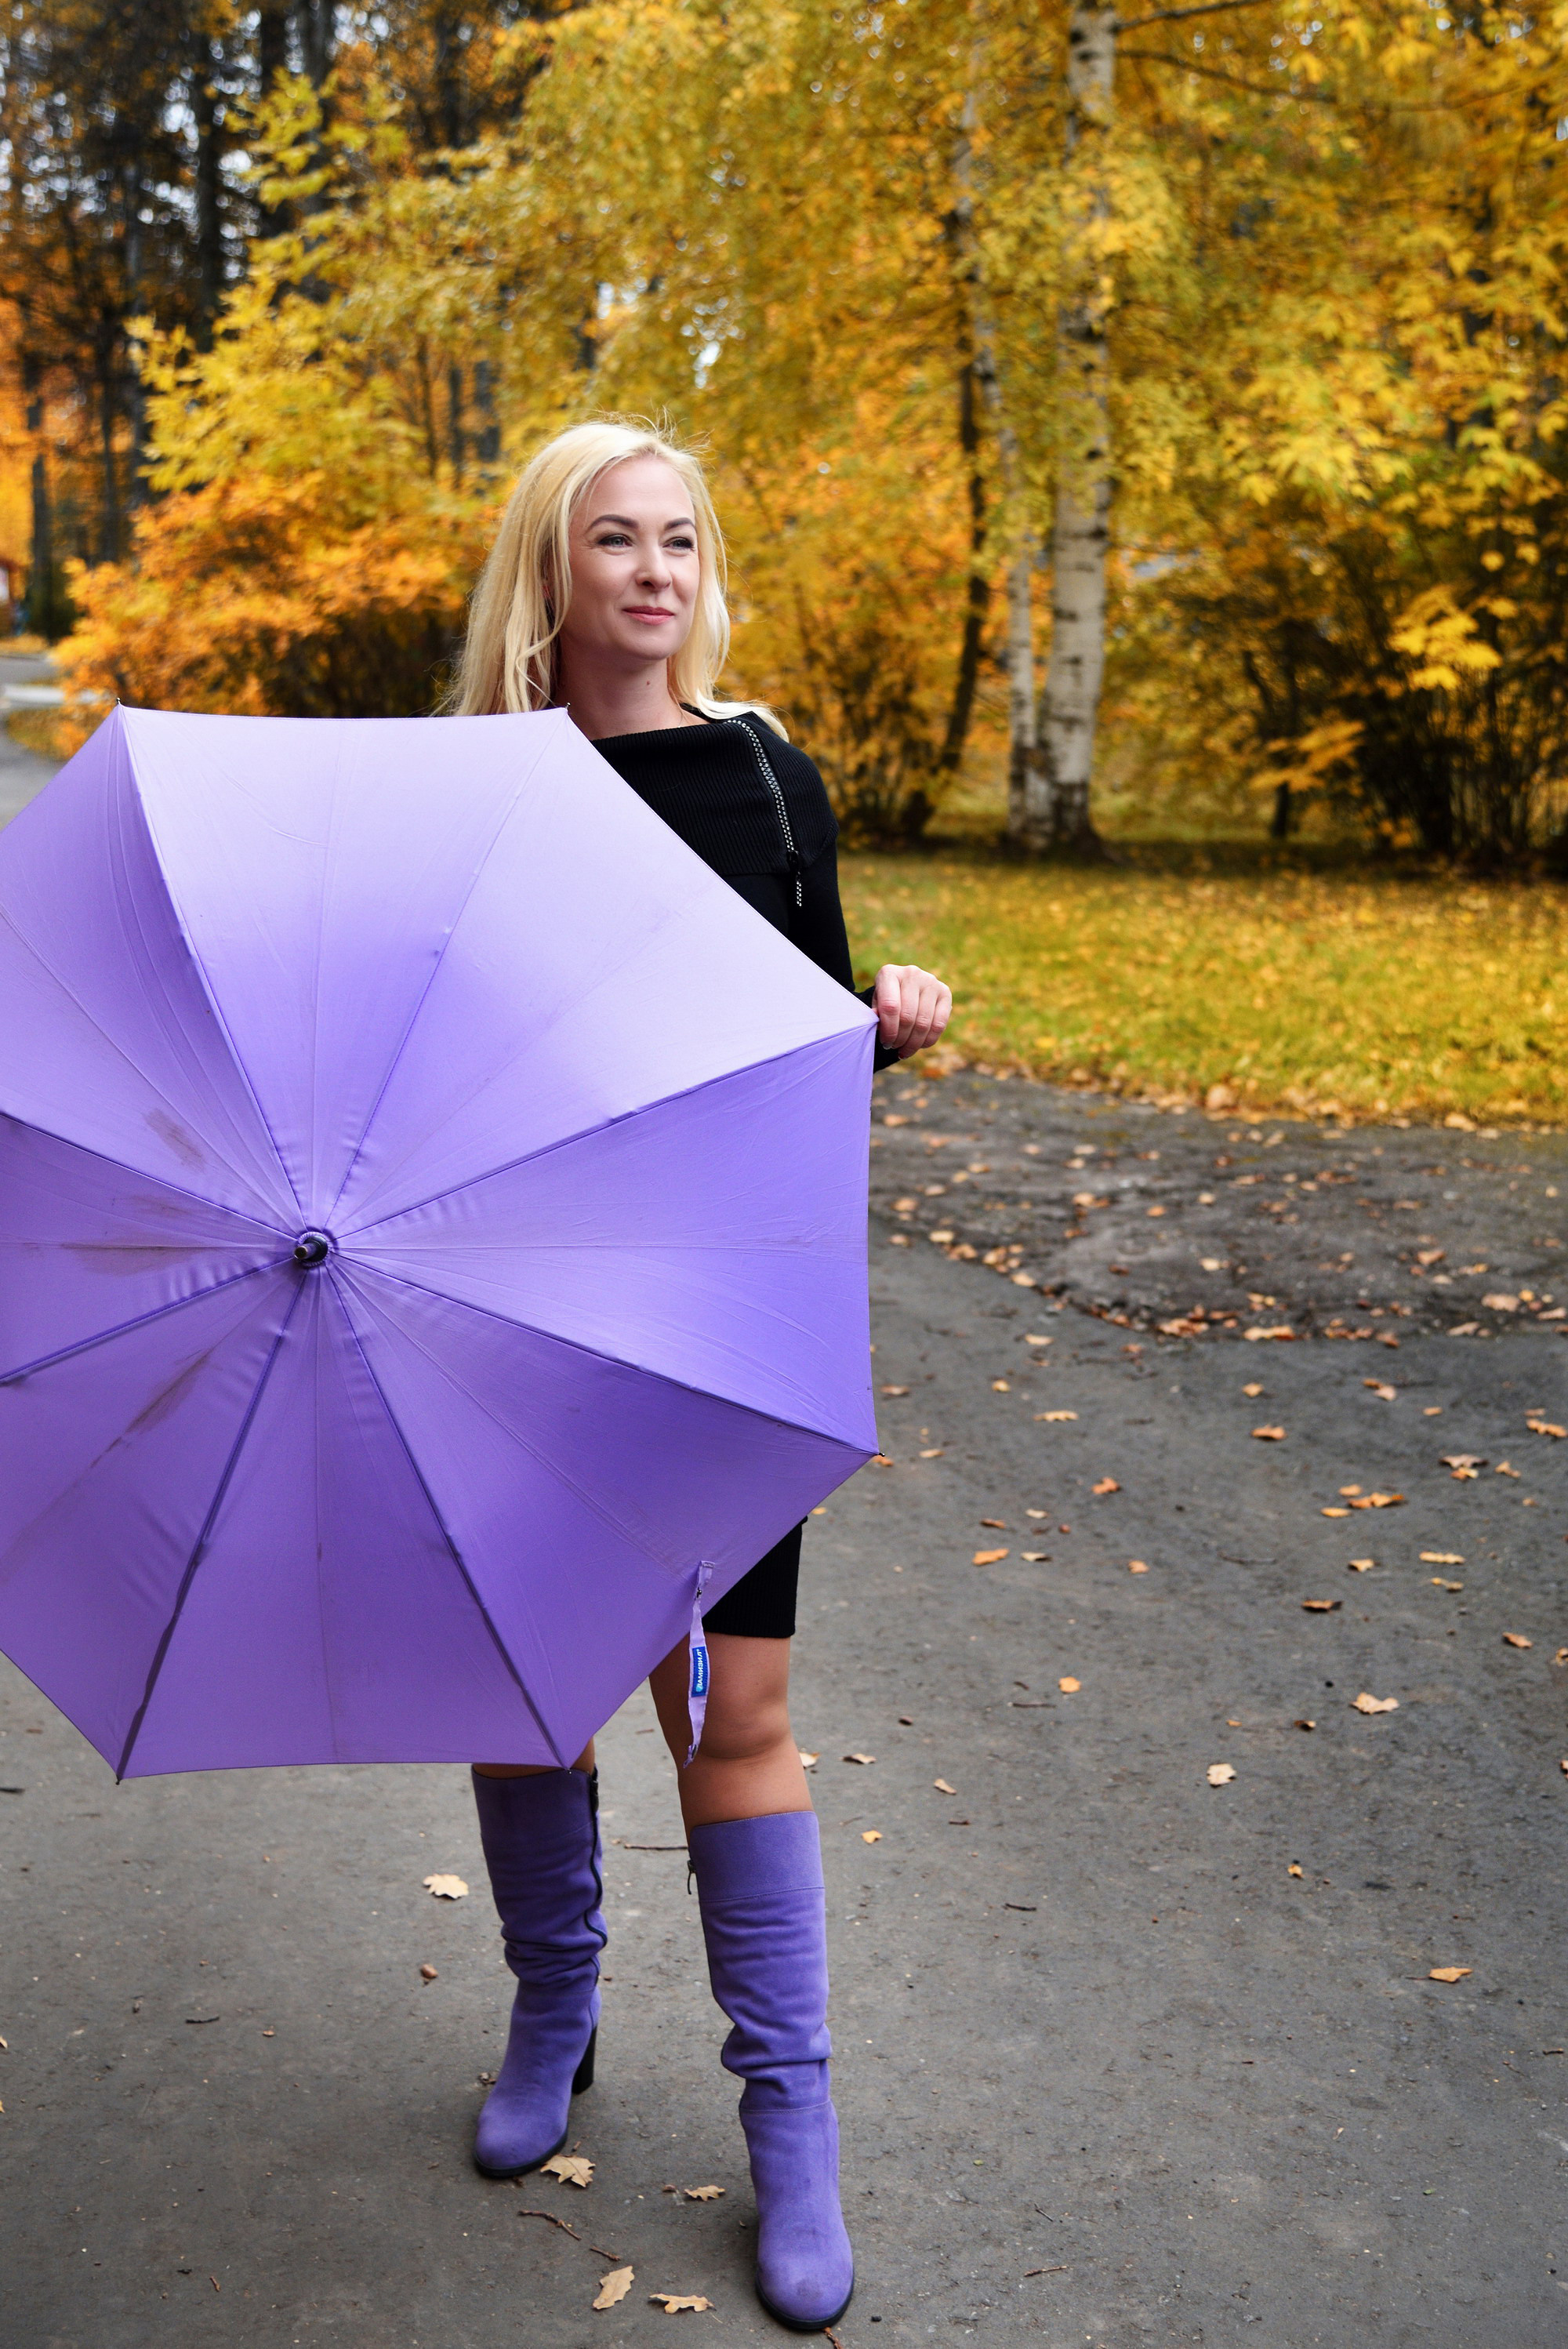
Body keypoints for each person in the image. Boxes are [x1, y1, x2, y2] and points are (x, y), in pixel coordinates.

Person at [445, 417, 952, 2329]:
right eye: (610, 541)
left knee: (736, 1712)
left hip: (725, 1318)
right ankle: (551, 2011)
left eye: (677, 539)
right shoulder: (485, 797)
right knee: (530, 1692)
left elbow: (796, 1067)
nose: (651, 572)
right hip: (514, 1317)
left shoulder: (766, 772)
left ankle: (790, 2133)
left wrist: (880, 1024)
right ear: (548, 574)